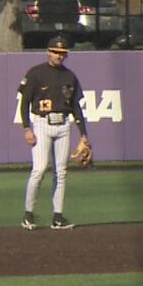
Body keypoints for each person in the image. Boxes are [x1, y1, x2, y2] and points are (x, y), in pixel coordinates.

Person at [18, 35, 88, 230]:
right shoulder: (36, 73)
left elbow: (75, 107)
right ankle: (28, 214)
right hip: (41, 124)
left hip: (63, 125)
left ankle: (58, 216)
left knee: (61, 172)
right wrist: (26, 128)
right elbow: (24, 103)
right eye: (56, 52)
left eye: (62, 53)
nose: (59, 56)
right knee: (39, 170)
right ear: (48, 52)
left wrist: (83, 134)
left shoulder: (69, 76)